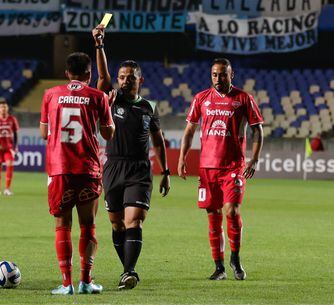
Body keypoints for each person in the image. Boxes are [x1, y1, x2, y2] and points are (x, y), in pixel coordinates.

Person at [92, 25, 170, 290]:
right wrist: (99, 45)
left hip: (139, 169)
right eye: (122, 76)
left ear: (140, 80)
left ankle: (129, 271)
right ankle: (127, 269)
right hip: (113, 166)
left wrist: (166, 172)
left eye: (130, 77)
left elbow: (158, 140)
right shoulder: (110, 100)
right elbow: (102, 78)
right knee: (116, 225)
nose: (125, 81)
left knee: (133, 220)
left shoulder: (149, 107)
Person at [178, 58, 263, 281]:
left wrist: (253, 159)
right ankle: (219, 267)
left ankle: (235, 259)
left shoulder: (244, 98)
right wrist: (182, 157)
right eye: (215, 74)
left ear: (231, 75)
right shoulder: (201, 98)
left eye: (222, 74)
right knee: (213, 216)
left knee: (232, 211)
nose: (218, 78)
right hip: (207, 168)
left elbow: (257, 130)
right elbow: (188, 131)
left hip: (233, 167)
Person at [40, 52, 115, 295]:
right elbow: (108, 134)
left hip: (60, 168)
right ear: (89, 74)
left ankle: (66, 284)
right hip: (88, 168)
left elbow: (44, 133)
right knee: (88, 225)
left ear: (66, 73)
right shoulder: (98, 96)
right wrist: (107, 109)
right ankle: (86, 281)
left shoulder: (50, 94)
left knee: (62, 225)